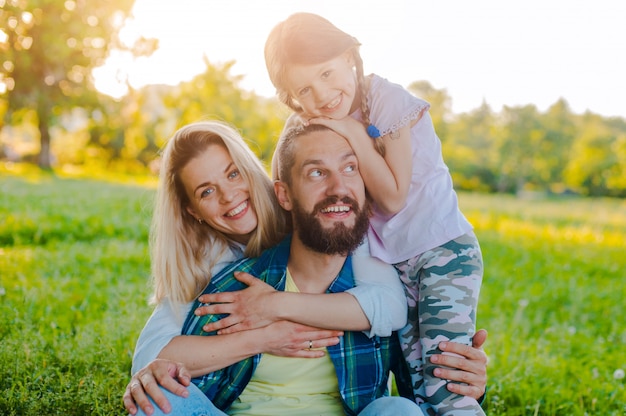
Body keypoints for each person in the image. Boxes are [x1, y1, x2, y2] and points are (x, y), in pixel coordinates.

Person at [123, 122, 488, 415]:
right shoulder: (214, 263)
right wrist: (263, 338)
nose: (229, 195)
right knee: (158, 402)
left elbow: (392, 311)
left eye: (233, 174)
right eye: (206, 191)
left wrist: (459, 372)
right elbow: (153, 357)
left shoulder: (350, 238)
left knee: (399, 410)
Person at [264, 12, 485, 415]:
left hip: (442, 251)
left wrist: (350, 131)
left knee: (445, 382)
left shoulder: (387, 100)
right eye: (305, 90)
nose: (323, 95)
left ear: (349, 56)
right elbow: (281, 175)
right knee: (411, 381)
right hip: (393, 263)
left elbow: (394, 196)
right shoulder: (314, 117)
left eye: (328, 73)